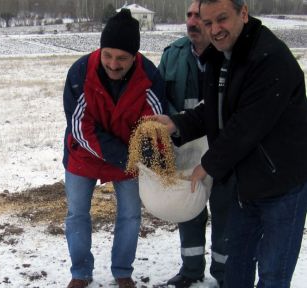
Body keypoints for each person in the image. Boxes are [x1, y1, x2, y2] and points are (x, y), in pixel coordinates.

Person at [150, 0, 307, 287]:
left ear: (243, 13)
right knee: (237, 269)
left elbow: (247, 125)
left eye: (222, 19)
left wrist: (207, 165)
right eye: (208, 23)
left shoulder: (269, 58)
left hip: (281, 187)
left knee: (273, 273)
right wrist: (178, 123)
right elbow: (216, 107)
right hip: (245, 185)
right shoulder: (222, 55)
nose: (214, 29)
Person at [62, 9, 166, 288]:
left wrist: (145, 156)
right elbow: (81, 128)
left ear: (135, 56)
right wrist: (126, 155)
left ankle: (122, 271)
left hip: (128, 158)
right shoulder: (80, 73)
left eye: (122, 58)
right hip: (84, 154)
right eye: (108, 55)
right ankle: (80, 273)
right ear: (100, 49)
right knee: (77, 214)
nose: (113, 64)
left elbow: (154, 125)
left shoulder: (149, 77)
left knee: (131, 214)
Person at [158, 1, 230, 287]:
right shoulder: (173, 54)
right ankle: (190, 270)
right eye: (188, 15)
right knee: (188, 208)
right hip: (185, 146)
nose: (192, 21)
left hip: (222, 147)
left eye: (198, 16)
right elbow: (160, 96)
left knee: (224, 209)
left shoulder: (227, 54)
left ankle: (224, 273)